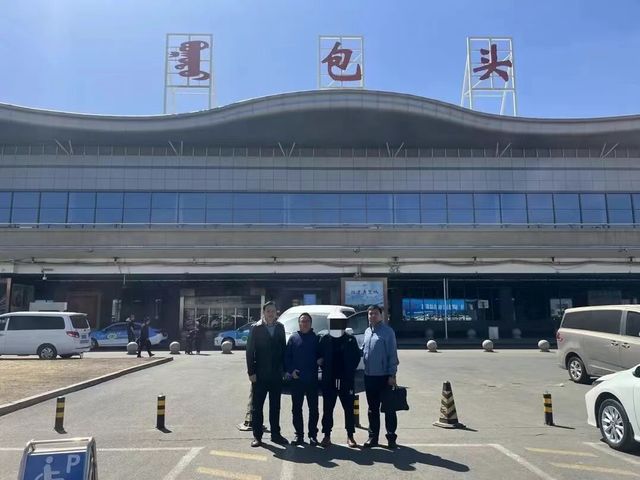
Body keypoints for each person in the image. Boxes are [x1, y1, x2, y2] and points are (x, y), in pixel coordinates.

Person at [246, 301, 288, 447]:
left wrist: (284, 369)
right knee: (257, 407)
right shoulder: (256, 328)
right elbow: (250, 351)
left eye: (273, 311)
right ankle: (257, 436)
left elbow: (283, 349)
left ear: (277, 313)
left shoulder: (280, 327)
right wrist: (251, 372)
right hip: (260, 375)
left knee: (275, 406)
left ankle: (276, 434)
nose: (271, 313)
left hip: (276, 374)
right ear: (263, 312)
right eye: (268, 311)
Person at [318, 314, 362, 448]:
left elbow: (356, 357)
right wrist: (323, 365)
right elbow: (319, 356)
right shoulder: (324, 339)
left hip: (346, 380)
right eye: (334, 322)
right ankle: (326, 435)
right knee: (327, 409)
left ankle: (350, 435)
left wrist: (349, 371)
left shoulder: (350, 339)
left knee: (348, 408)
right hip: (329, 379)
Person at [362, 305, 399, 448]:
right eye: (370, 314)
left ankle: (391, 438)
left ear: (381, 315)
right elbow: (364, 351)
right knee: (372, 409)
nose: (372, 316)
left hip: (384, 376)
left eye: (375, 314)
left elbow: (392, 355)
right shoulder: (367, 331)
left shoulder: (388, 332)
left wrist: (392, 374)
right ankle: (373, 437)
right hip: (369, 376)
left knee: (389, 408)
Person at [285, 312, 320, 445]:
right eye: (302, 321)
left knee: (313, 409)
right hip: (297, 379)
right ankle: (299, 435)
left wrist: (321, 360)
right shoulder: (293, 338)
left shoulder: (316, 338)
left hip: (312, 379)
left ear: (311, 323)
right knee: (296, 409)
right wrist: (291, 370)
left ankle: (313, 435)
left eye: (307, 321)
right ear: (299, 323)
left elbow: (321, 355)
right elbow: (287, 357)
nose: (304, 323)